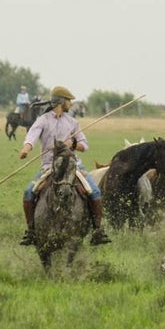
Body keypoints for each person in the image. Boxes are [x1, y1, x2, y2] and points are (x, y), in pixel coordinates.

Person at [17, 85, 111, 246]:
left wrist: (72, 143)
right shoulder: (43, 121)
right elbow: (31, 137)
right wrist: (26, 149)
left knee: (94, 191)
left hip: (74, 166)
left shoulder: (73, 122)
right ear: (62, 102)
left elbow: (84, 145)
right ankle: (31, 231)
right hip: (49, 167)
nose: (71, 104)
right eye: (69, 101)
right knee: (28, 192)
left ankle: (97, 231)